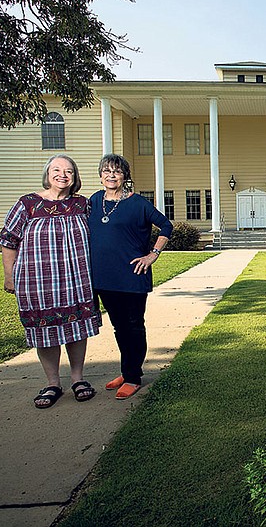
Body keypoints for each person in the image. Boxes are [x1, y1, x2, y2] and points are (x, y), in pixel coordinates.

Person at [0, 154, 100, 409]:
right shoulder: (28, 204)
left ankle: (78, 379)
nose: (62, 175)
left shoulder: (82, 205)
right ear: (47, 174)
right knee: (45, 331)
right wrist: (9, 276)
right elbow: (9, 240)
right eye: (56, 170)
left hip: (76, 278)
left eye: (68, 171)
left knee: (76, 329)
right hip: (37, 280)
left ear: (75, 177)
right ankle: (53, 383)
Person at [88, 154, 172, 400]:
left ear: (125, 176)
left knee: (134, 326)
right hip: (104, 277)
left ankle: (134, 377)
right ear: (101, 175)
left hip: (133, 275)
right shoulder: (94, 200)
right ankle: (127, 371)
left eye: (116, 171)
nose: (111, 175)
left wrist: (152, 254)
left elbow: (166, 226)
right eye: (106, 170)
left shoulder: (138, 204)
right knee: (118, 327)